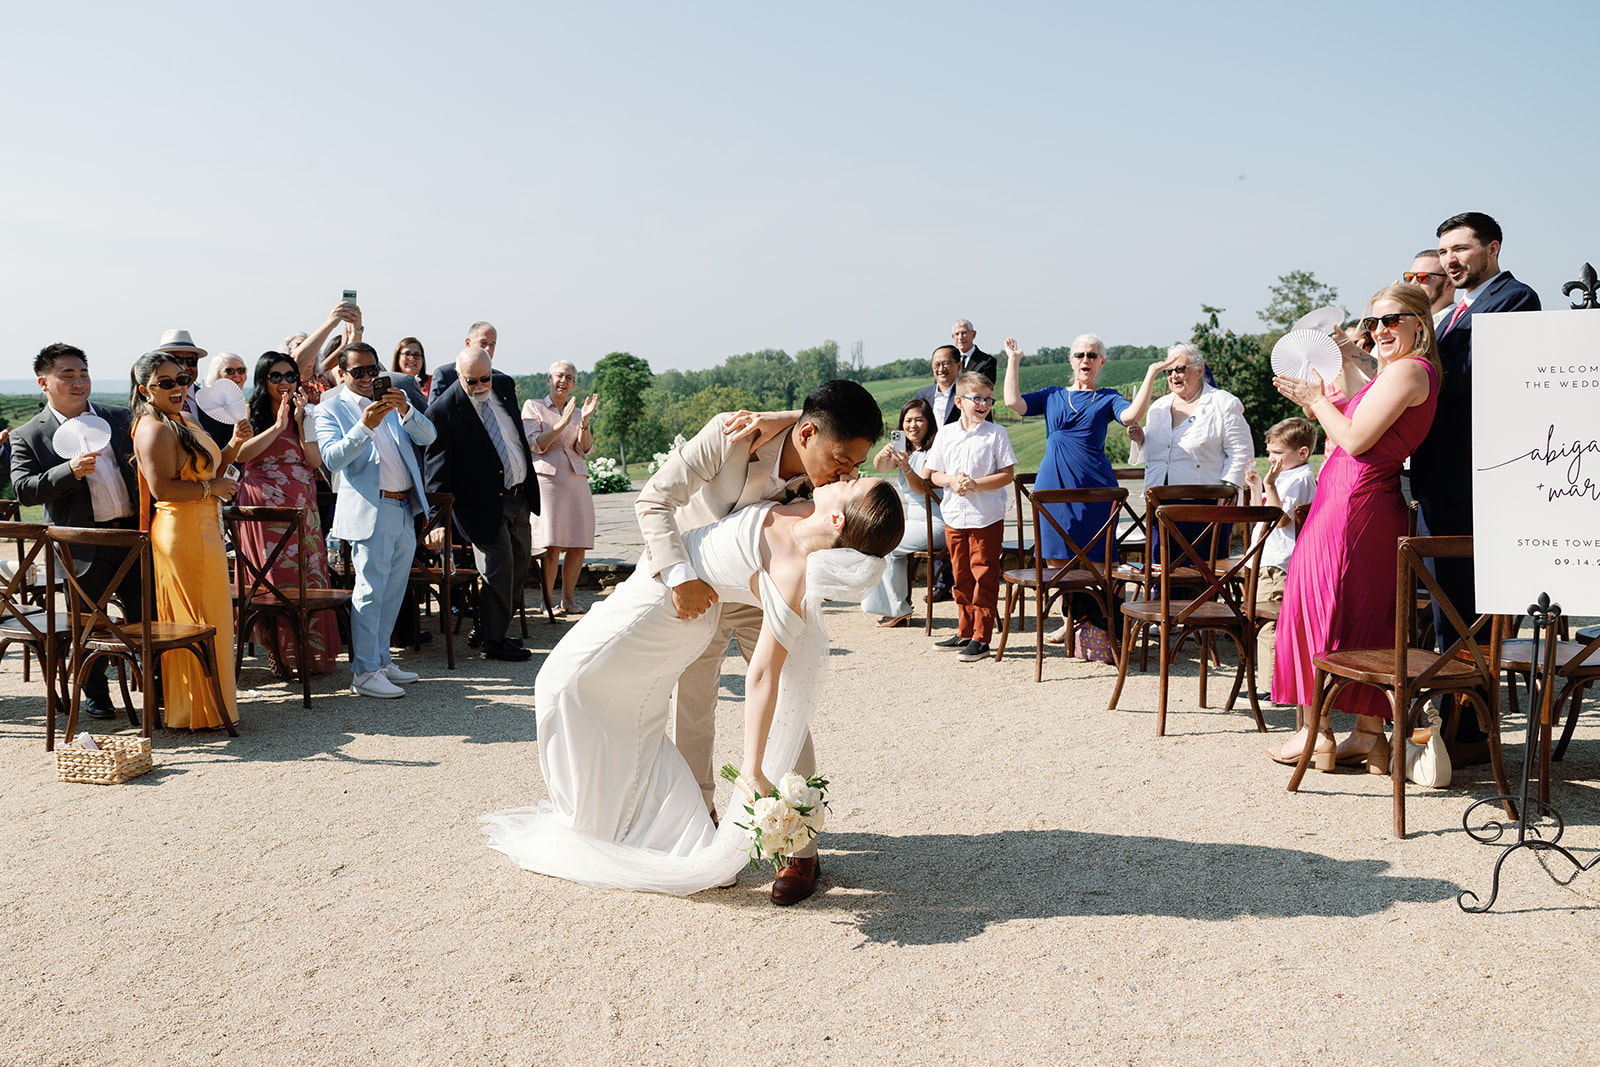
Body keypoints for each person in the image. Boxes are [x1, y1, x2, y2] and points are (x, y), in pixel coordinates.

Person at [481, 477, 903, 901]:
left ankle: (603, 824)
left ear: (836, 518)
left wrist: (754, 769)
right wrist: (768, 420)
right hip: (654, 585)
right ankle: (621, 822)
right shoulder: (802, 509)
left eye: (853, 481)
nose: (846, 474)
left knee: (558, 683)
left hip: (666, 611)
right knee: (609, 705)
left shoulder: (792, 575)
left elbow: (762, 677)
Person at [636, 380, 883, 844]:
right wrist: (679, 576)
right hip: (697, 589)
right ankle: (698, 824)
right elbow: (653, 500)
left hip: (765, 591)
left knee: (789, 698)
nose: (846, 475)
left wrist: (787, 418)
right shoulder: (731, 435)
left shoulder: (828, 478)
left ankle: (798, 837)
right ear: (807, 434)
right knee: (692, 706)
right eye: (842, 461)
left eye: (855, 465)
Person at [1268, 283, 1441, 769]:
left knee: (1315, 607)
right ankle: (1368, 735)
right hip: (1359, 499)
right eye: (1373, 323)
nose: (1379, 330)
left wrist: (1315, 400)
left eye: (1391, 320)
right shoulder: (1400, 372)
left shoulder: (1409, 370)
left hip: (1353, 500)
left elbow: (1356, 438)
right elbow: (1354, 412)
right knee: (1364, 616)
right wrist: (1339, 361)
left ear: (1419, 324)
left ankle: (1316, 734)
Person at [1412, 212, 1540, 658]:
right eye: (1444, 251)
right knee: (1446, 607)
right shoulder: (1451, 313)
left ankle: (1467, 721)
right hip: (1436, 479)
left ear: (1492, 248)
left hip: (1466, 481)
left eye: (1460, 248)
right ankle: (1449, 713)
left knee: (1464, 608)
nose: (1450, 260)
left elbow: (1472, 381)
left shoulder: (1515, 299)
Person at [1001, 333, 1181, 644]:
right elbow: (1012, 403)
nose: (1086, 359)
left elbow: (1131, 416)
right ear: (1071, 360)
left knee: (1102, 560)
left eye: (1092, 355)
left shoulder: (1108, 397)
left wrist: (1151, 374)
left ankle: (1107, 625)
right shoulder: (1053, 394)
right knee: (1056, 560)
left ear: (1101, 362)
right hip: (1053, 486)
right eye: (1081, 354)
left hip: (1096, 488)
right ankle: (1070, 620)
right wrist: (1013, 361)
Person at [11, 344, 141, 720]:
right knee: (88, 623)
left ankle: (159, 690)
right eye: (67, 375)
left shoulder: (120, 417)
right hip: (82, 546)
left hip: (134, 536)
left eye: (83, 373)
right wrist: (69, 471)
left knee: (146, 616)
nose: (78, 381)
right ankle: (97, 695)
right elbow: (24, 488)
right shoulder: (28, 435)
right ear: (43, 383)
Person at [129, 350, 247, 729]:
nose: (178, 387)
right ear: (146, 390)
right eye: (166, 383)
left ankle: (213, 706)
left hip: (203, 528)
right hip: (182, 532)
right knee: (196, 621)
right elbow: (162, 487)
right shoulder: (155, 428)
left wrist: (234, 444)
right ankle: (197, 711)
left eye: (182, 379)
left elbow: (207, 468)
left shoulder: (183, 418)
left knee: (213, 618)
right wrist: (213, 488)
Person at [315, 342, 437, 698]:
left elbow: (429, 437)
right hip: (372, 508)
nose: (369, 378)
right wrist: (364, 426)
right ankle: (364, 672)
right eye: (359, 372)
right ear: (342, 373)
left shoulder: (394, 399)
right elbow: (331, 460)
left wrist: (406, 412)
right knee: (369, 592)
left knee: (392, 592)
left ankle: (381, 660)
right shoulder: (330, 409)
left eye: (373, 370)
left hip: (403, 507)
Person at [423, 347, 538, 663]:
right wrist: (438, 521)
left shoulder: (504, 386)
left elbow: (513, 436)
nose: (479, 387)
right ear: (459, 376)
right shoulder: (443, 412)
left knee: (520, 566)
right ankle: (493, 642)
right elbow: (436, 471)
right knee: (499, 567)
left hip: (518, 495)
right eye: (471, 381)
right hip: (480, 506)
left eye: (484, 379)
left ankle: (488, 628)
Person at [233, 353, 341, 677]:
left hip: (301, 501)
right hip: (263, 502)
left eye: (290, 376)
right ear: (263, 380)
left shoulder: (305, 413)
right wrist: (278, 426)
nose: (284, 382)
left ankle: (309, 653)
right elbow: (241, 454)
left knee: (307, 576)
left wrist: (299, 421)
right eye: (276, 376)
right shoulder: (250, 411)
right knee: (272, 578)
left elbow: (313, 459)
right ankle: (276, 654)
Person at [923, 371, 1016, 662]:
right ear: (960, 401)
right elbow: (930, 474)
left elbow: (1007, 475)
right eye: (978, 399)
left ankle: (982, 637)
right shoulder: (947, 433)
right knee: (960, 575)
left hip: (985, 516)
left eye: (988, 399)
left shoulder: (996, 433)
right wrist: (951, 480)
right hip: (954, 515)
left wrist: (975, 484)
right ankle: (964, 630)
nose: (984, 404)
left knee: (984, 575)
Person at [1243, 417, 1318, 696]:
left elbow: (1281, 520)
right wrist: (1256, 489)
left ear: (1302, 453)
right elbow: (1261, 516)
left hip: (1278, 562)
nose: (1271, 458)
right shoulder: (1287, 477)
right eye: (1270, 452)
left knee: (1270, 624)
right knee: (1266, 621)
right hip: (1268, 559)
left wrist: (1270, 486)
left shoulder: (1300, 479)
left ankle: (1269, 686)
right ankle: (1272, 682)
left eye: (1278, 453)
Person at [521, 360, 598, 617]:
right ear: (549, 379)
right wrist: (562, 424)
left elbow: (584, 448)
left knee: (578, 542)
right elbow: (536, 444)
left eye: (569, 377)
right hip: (548, 481)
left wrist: (583, 422)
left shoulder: (577, 411)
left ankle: (568, 599)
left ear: (574, 384)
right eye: (559, 375)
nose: (563, 380)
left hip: (576, 479)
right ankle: (546, 601)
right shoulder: (534, 406)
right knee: (551, 544)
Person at [861, 397, 943, 626]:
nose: (913, 426)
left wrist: (906, 467)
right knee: (880, 541)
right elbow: (881, 467)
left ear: (929, 423)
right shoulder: (906, 451)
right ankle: (896, 606)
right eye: (908, 421)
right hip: (915, 522)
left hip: (937, 521)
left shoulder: (934, 451)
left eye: (919, 420)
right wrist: (885, 453)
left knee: (884, 543)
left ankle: (897, 608)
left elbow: (921, 488)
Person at [431, 321, 498, 395]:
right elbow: (436, 406)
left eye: (492, 344)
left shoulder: (501, 379)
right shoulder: (446, 375)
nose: (488, 348)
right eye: (483, 343)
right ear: (468, 343)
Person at [914, 345, 963, 427]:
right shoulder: (922, 395)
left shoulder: (967, 394)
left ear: (959, 366)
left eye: (946, 364)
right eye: (936, 365)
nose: (941, 369)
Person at [1404, 249, 1456, 327]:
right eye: (1409, 277)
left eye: (1423, 277)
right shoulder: (1406, 324)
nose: (1413, 283)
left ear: (1449, 284)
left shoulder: (1462, 323)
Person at [950, 319, 998, 385]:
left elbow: (985, 388)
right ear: (953, 337)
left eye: (964, 333)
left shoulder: (987, 362)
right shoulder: (949, 361)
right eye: (957, 334)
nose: (960, 338)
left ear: (973, 334)